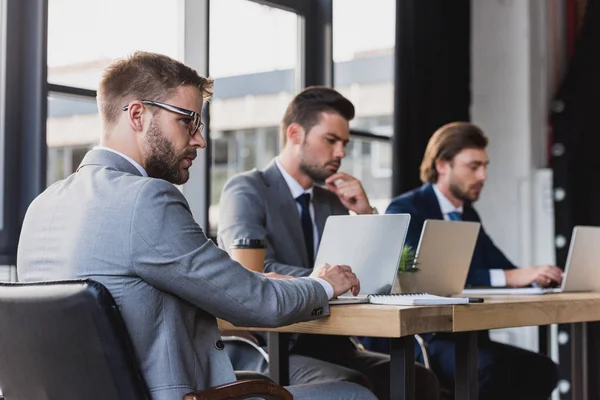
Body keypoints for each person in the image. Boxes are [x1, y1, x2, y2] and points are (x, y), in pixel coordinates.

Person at [16, 52, 379, 400]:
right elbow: (257, 304)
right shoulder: (147, 199)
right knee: (355, 393)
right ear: (138, 115)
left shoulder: (41, 206)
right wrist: (323, 284)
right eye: (187, 120)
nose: (200, 140)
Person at [217, 86, 441, 400]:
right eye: (331, 141)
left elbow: (371, 271)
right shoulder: (247, 189)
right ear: (295, 134)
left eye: (344, 143)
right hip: (277, 346)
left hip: (332, 341)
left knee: (420, 378)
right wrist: (328, 280)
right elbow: (254, 270)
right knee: (353, 382)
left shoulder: (331, 200)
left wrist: (364, 212)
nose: (341, 153)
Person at [365, 121, 559, 399]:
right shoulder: (406, 209)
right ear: (443, 165)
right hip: (427, 338)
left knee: (542, 369)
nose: (484, 175)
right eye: (474, 166)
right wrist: (510, 277)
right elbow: (421, 280)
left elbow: (505, 269)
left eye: (485, 165)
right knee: (488, 370)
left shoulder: (468, 215)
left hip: (467, 334)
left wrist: (536, 275)